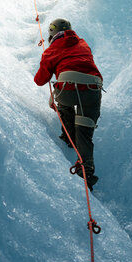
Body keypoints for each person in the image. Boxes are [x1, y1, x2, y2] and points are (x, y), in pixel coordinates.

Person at [34, 18, 103, 191]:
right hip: (92, 89)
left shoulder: (51, 50)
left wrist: (48, 60)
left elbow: (40, 80)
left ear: (51, 34)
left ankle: (68, 136)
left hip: (67, 89)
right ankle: (86, 173)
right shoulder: (82, 43)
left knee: (63, 105)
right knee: (85, 132)